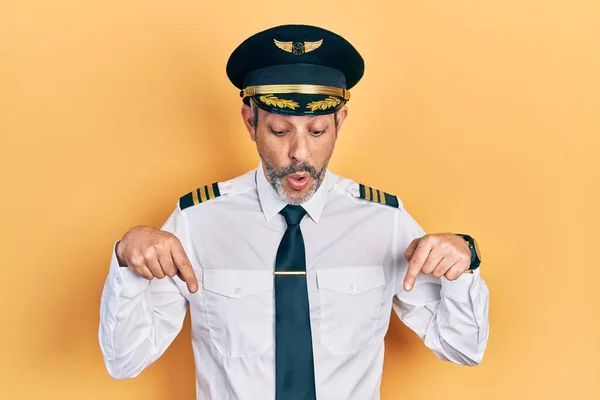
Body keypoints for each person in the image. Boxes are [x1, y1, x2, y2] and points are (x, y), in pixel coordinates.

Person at [98, 24, 489, 400]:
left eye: (317, 132)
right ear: (251, 123)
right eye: (281, 131)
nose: (300, 154)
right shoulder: (197, 220)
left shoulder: (384, 220)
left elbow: (462, 347)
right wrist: (126, 259)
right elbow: (124, 359)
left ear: (340, 122)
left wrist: (463, 264)